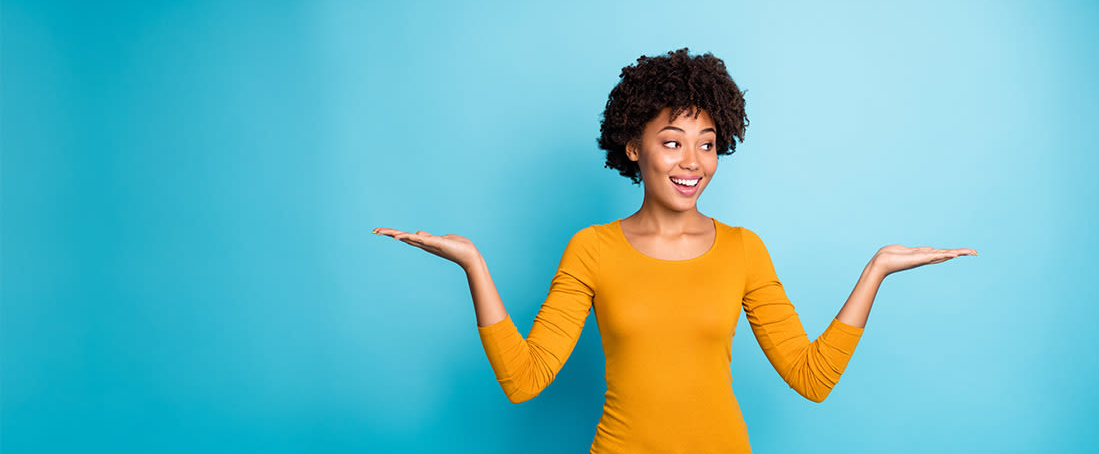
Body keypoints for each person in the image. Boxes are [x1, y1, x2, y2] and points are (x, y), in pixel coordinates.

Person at [372, 48, 977, 453]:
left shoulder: (744, 250)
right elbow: (524, 380)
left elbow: (811, 377)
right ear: (633, 147)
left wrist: (877, 270)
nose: (693, 162)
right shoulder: (592, 249)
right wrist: (474, 265)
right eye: (672, 142)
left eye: (707, 144)